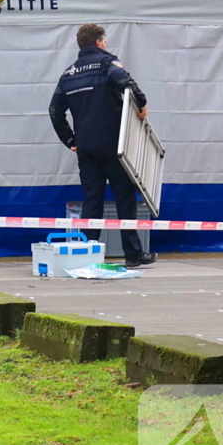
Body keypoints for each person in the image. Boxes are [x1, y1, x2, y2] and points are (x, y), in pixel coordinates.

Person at [49, 23, 157, 268]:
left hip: (86, 148)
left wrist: (70, 140)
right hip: (114, 145)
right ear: (99, 42)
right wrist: (141, 104)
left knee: (92, 200)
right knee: (124, 198)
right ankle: (133, 255)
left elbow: (55, 110)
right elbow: (126, 83)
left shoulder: (68, 74)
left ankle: (87, 253)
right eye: (105, 42)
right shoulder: (107, 63)